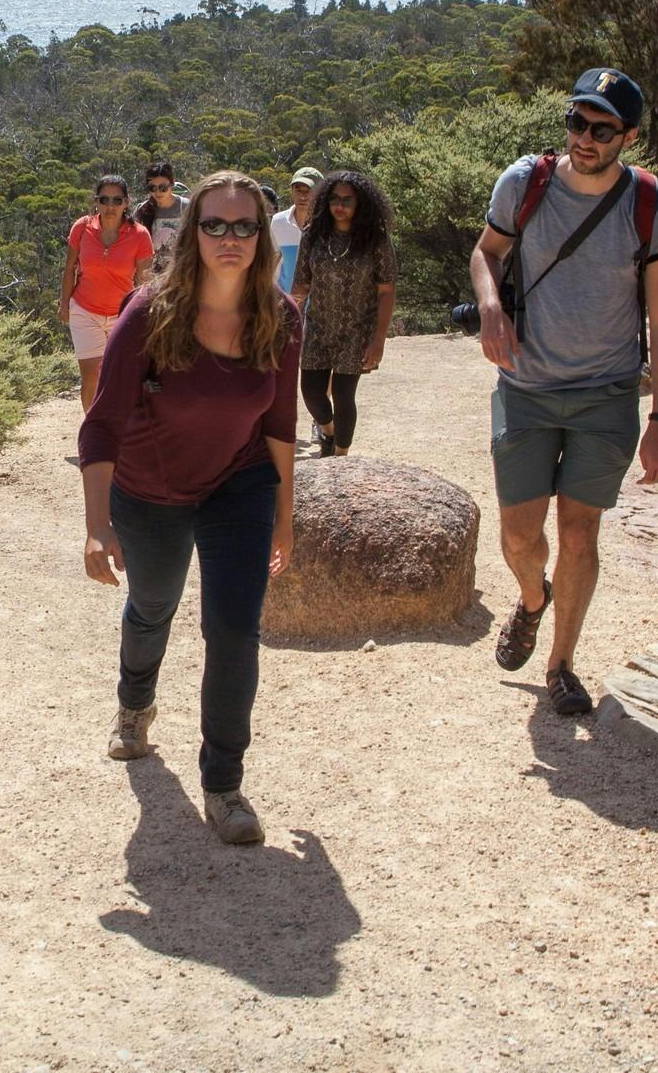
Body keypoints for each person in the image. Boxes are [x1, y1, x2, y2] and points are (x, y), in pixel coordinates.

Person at [79, 170, 300, 846]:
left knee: (235, 628)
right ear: (192, 232)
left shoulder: (280, 316)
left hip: (241, 481)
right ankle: (134, 703)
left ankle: (224, 782)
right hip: (152, 487)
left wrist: (285, 516)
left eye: (244, 226)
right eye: (215, 224)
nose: (229, 238)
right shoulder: (148, 313)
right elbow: (101, 425)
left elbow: (282, 425)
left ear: (262, 236)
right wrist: (95, 525)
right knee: (154, 604)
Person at [468, 68, 658, 717]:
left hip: (605, 393)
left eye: (601, 128)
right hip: (527, 387)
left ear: (629, 136)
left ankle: (562, 665)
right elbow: (487, 252)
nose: (584, 137)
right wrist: (489, 305)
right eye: (577, 122)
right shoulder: (525, 182)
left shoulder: (652, 208)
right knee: (518, 535)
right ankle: (534, 597)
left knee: (580, 532)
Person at [290, 169, 396, 457]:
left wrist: (378, 340)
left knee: (343, 394)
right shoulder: (313, 235)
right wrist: (286, 319)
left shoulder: (376, 239)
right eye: (334, 199)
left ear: (360, 203)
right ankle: (328, 432)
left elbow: (386, 291)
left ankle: (341, 457)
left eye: (347, 200)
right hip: (319, 327)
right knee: (311, 392)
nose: (340, 206)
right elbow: (301, 283)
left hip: (357, 330)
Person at [59, 175, 155, 412]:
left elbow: (143, 281)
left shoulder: (140, 235)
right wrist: (64, 305)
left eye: (117, 200)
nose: (110, 206)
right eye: (104, 200)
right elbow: (69, 267)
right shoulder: (82, 228)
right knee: (91, 376)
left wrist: (143, 317)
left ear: (126, 203)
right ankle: (93, 433)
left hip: (121, 316)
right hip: (84, 310)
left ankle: (119, 430)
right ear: (96, 202)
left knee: (119, 376)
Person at [272, 166, 322, 293]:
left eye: (309, 190)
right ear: (292, 191)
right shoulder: (278, 222)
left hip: (318, 306)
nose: (303, 196)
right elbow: (272, 260)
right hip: (286, 303)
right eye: (298, 190)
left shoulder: (329, 225)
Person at [133, 161, 186, 260]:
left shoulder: (186, 207)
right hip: (152, 272)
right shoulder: (142, 210)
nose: (158, 192)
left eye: (163, 187)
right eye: (152, 188)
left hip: (182, 270)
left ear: (172, 184)